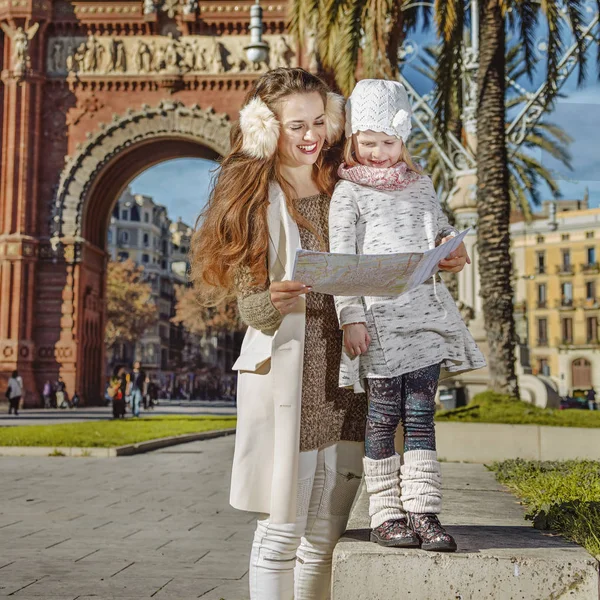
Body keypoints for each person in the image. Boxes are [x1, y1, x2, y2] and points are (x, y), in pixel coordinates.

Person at [190, 68, 368, 600]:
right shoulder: (252, 201)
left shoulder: (348, 186)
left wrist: (436, 260)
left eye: (319, 121)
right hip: (291, 377)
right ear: (266, 128)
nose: (311, 135)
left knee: (326, 538)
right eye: (296, 126)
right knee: (281, 534)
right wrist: (271, 299)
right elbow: (250, 306)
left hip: (348, 377)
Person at [329, 79, 486, 552]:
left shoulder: (422, 185)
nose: (379, 153)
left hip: (424, 319)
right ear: (354, 141)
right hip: (377, 323)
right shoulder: (347, 193)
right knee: (380, 417)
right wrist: (350, 318)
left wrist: (452, 251)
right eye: (370, 143)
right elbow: (342, 262)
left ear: (403, 141)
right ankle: (386, 514)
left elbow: (441, 234)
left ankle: (424, 511)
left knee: (421, 416)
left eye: (389, 143)